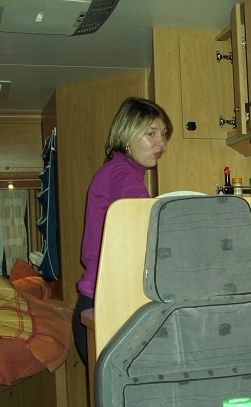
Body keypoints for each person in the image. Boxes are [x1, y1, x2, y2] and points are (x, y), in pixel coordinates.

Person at [72, 97, 173, 364]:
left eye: (164, 134)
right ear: (124, 136)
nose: (161, 143)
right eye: (151, 134)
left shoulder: (119, 171)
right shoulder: (122, 174)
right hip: (107, 305)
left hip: (97, 302)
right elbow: (148, 223)